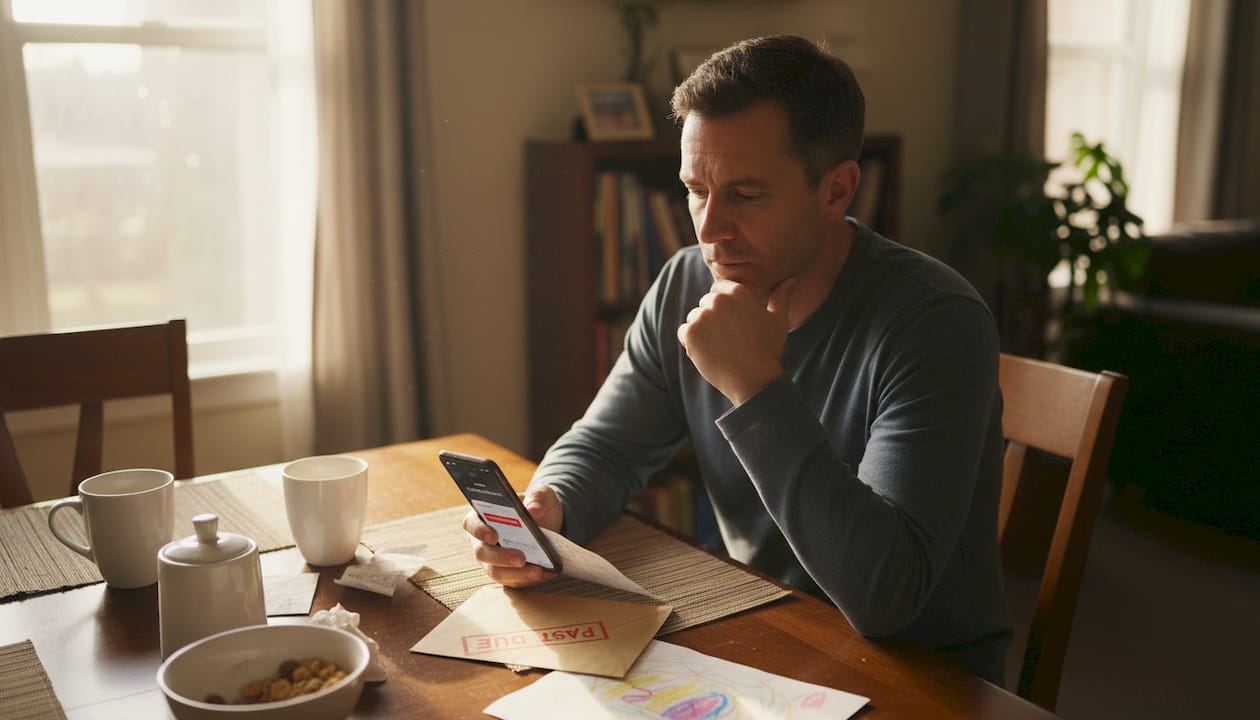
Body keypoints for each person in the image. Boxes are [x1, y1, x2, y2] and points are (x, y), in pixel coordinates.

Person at [464, 34, 1012, 684]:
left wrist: (754, 386)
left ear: (836, 191)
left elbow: (884, 596)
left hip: (923, 676)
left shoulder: (935, 322)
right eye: (696, 189)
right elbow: (606, 445)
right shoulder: (684, 284)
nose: (707, 229)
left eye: (746, 195)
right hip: (763, 632)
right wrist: (550, 504)